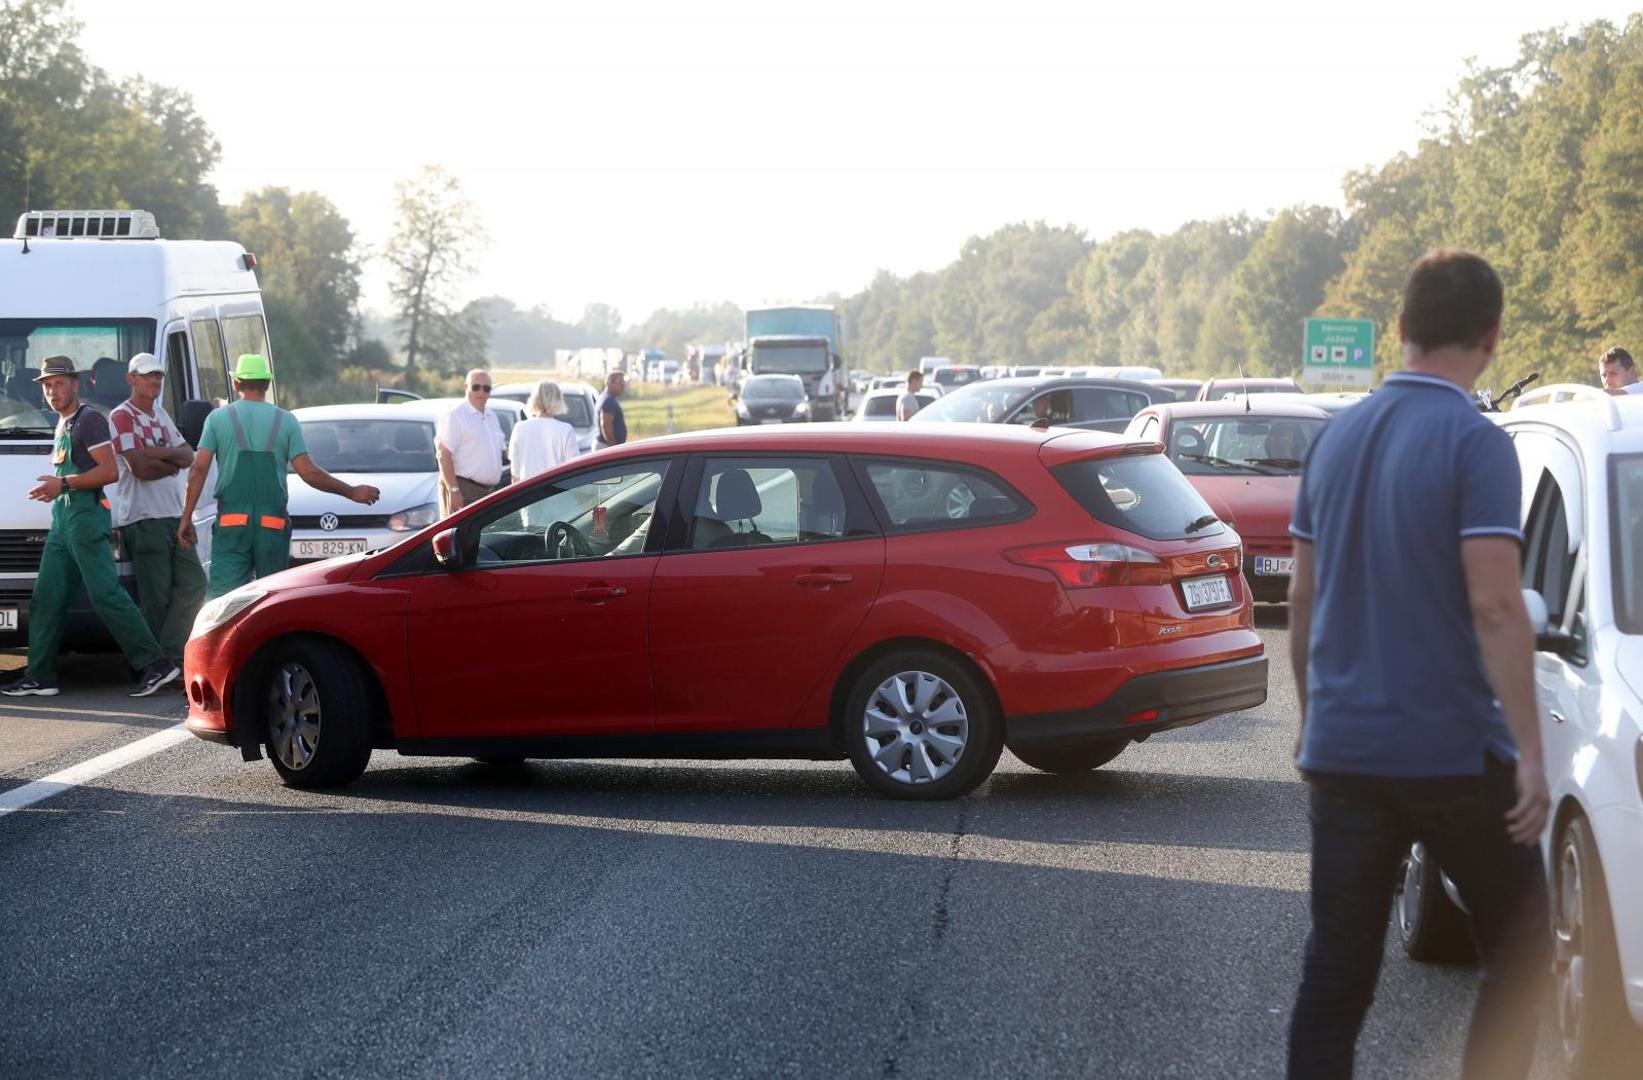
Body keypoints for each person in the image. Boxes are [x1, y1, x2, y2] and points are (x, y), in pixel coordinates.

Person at [1286, 250, 1549, 1079]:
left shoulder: (1333, 440)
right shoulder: (1477, 443)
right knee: (1523, 955)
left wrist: (1310, 724)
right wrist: (1531, 756)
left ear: (1399, 328)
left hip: (1344, 753)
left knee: (1335, 979)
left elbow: (1300, 597)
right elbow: (1496, 605)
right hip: (1450, 755)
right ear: (1492, 336)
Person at [0, 355, 179, 697]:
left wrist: (62, 485)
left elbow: (109, 472)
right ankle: (41, 676)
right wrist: (56, 490)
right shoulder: (63, 422)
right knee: (46, 599)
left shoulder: (89, 420)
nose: (53, 391)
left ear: (76, 384)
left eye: (60, 384)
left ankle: (155, 664)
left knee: (106, 595)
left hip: (84, 520)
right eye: (48, 386)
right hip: (62, 522)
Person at [179, 354, 379, 599]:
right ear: (267, 384)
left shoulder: (217, 419)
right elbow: (309, 472)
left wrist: (186, 516)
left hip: (232, 524)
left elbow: (198, 469)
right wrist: (351, 491)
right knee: (270, 599)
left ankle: (220, 638)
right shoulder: (286, 421)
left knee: (222, 600)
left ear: (236, 384)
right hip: (272, 526)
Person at [109, 352, 205, 671]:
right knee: (156, 597)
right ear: (130, 379)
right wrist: (170, 462)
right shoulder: (122, 416)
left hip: (172, 516)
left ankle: (168, 656)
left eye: (158, 376)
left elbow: (188, 456)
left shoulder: (160, 414)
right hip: (143, 519)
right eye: (147, 375)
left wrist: (159, 454)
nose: (154, 380)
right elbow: (139, 468)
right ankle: (155, 665)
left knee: (194, 584)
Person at [436, 368, 505, 517]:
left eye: (486, 388)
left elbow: (501, 452)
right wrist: (453, 490)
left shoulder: (491, 415)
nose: (481, 392)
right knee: (460, 539)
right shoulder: (456, 414)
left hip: (488, 492)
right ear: (466, 387)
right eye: (476, 387)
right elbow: (443, 453)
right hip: (464, 489)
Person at [508, 378, 580, 486]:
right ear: (558, 399)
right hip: (556, 494)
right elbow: (573, 469)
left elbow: (515, 474)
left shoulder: (519, 428)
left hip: (526, 494)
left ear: (534, 399)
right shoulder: (566, 429)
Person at [595, 370, 628, 449]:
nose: (623, 387)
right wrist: (613, 447)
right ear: (609, 383)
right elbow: (606, 425)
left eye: (623, 384)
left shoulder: (606, 397)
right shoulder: (608, 400)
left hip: (605, 445)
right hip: (606, 447)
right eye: (620, 383)